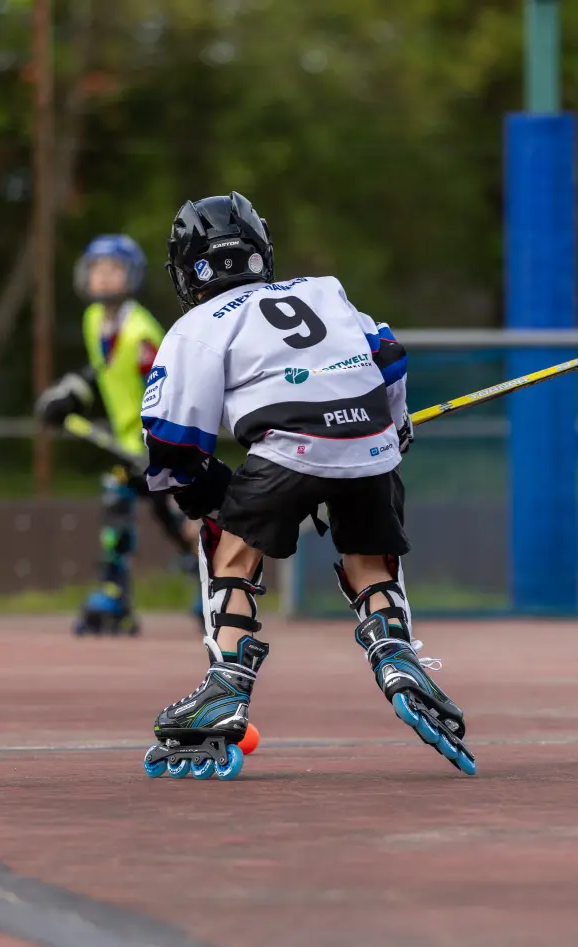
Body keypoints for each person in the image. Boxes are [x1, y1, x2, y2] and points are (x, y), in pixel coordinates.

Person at [136, 192, 473, 780]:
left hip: (287, 447)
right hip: (369, 446)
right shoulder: (323, 290)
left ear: (189, 268)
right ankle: (395, 654)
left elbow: (170, 442)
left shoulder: (195, 327)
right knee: (369, 553)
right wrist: (395, 428)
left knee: (227, 546)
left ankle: (226, 687)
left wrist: (206, 491)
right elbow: (389, 359)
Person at [35, 234, 199, 635]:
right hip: (128, 449)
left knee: (183, 524)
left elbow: (170, 389)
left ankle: (213, 588)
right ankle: (114, 592)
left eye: (114, 270)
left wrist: (166, 447)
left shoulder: (142, 333)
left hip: (161, 447)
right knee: (116, 502)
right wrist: (71, 393)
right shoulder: (94, 321)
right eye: (97, 270)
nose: (104, 279)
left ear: (132, 277)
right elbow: (102, 371)